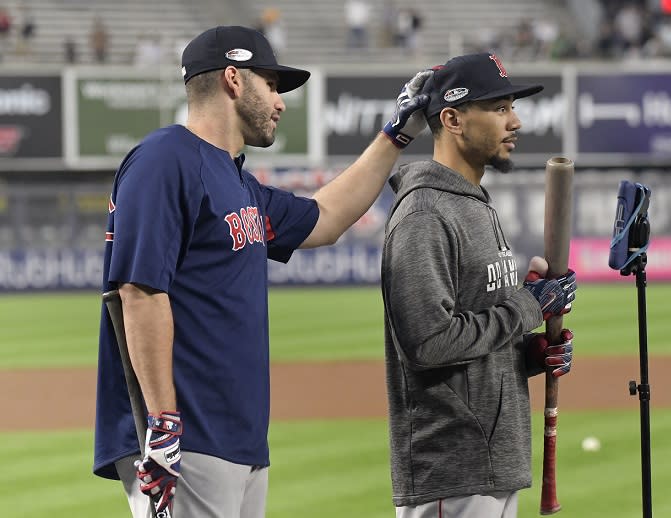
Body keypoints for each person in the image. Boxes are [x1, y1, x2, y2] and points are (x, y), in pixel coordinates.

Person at [93, 25, 431, 518]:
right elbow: (139, 291)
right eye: (271, 84)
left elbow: (326, 218)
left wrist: (396, 134)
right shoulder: (165, 160)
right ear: (233, 79)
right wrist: (163, 424)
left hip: (240, 437)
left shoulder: (237, 181)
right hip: (186, 433)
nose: (281, 101)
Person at [380, 52, 577, 518]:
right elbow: (429, 344)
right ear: (452, 119)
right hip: (453, 471)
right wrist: (527, 309)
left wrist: (527, 354)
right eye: (500, 108)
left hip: (490, 466)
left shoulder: (474, 205)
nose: (516, 121)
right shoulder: (426, 214)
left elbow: (477, 337)